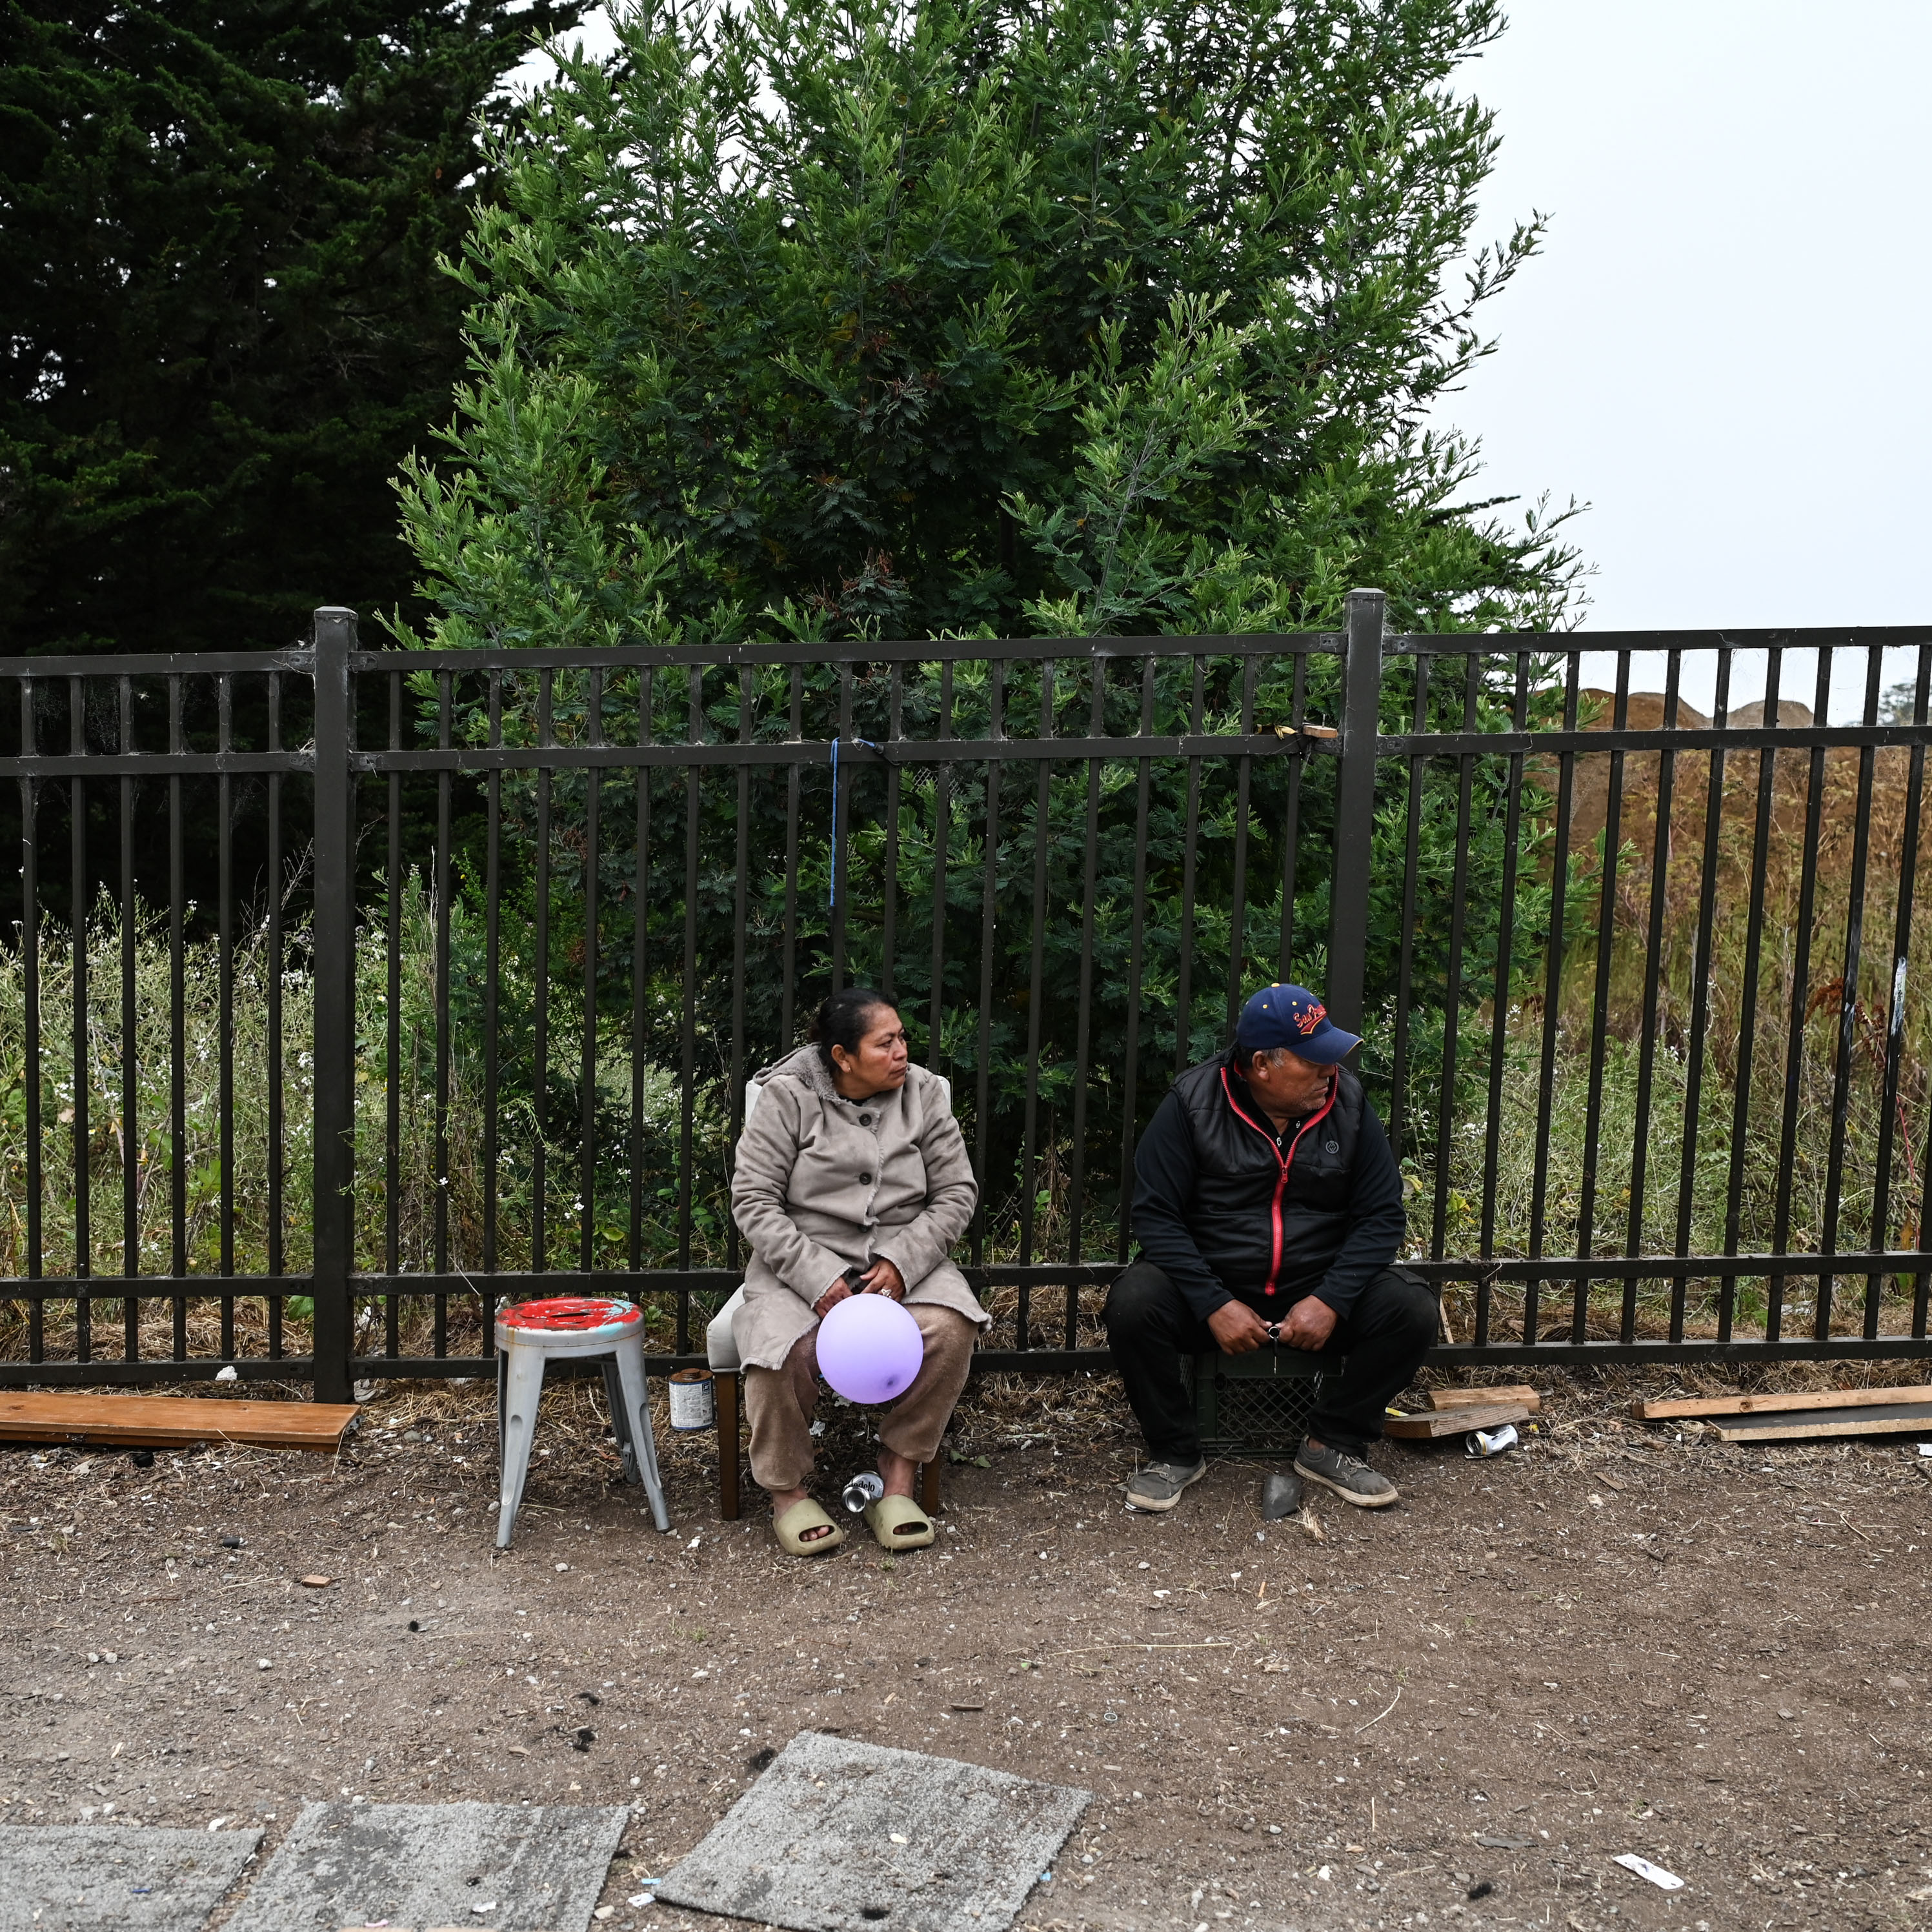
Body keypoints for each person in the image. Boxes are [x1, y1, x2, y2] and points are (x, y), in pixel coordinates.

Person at [1103, 982, 1434, 1513]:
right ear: (1262, 1065)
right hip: (1215, 1290)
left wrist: (1332, 1299)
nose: (1332, 1072)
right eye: (1315, 1061)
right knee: (1134, 1302)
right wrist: (1214, 1304)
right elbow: (1156, 1218)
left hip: (1315, 1289)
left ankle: (1333, 1444)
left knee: (1412, 1308)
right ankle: (1175, 1453)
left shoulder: (1348, 1105)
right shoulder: (1190, 1105)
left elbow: (1382, 1216)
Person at [730, 987, 985, 1557]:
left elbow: (956, 1193)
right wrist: (818, 1279)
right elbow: (753, 1200)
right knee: (778, 1349)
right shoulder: (786, 1097)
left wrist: (903, 1261)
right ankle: (789, 1492)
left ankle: (897, 1476)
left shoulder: (922, 1092)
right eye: (885, 1042)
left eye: (903, 1038)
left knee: (951, 1328)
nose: (903, 1052)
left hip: (904, 1256)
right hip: (798, 1260)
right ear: (842, 1056)